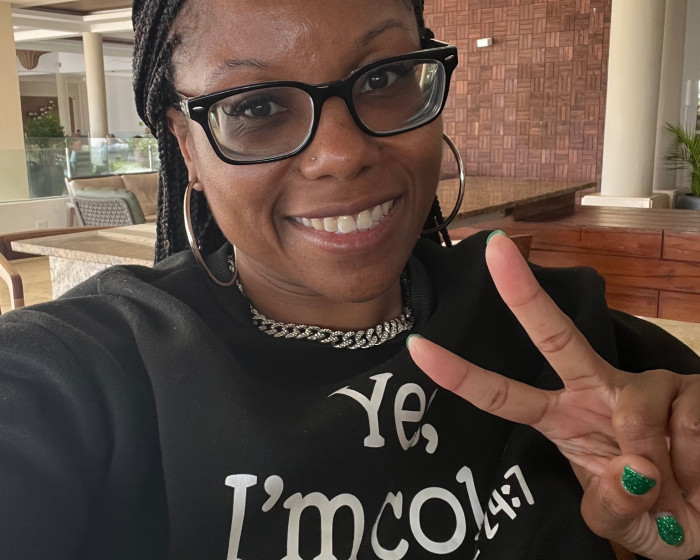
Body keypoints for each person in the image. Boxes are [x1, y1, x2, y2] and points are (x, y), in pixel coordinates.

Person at [1, 0, 699, 558]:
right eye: (255, 106)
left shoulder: (570, 340)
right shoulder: (84, 372)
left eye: (383, 78)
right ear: (186, 142)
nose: (341, 153)